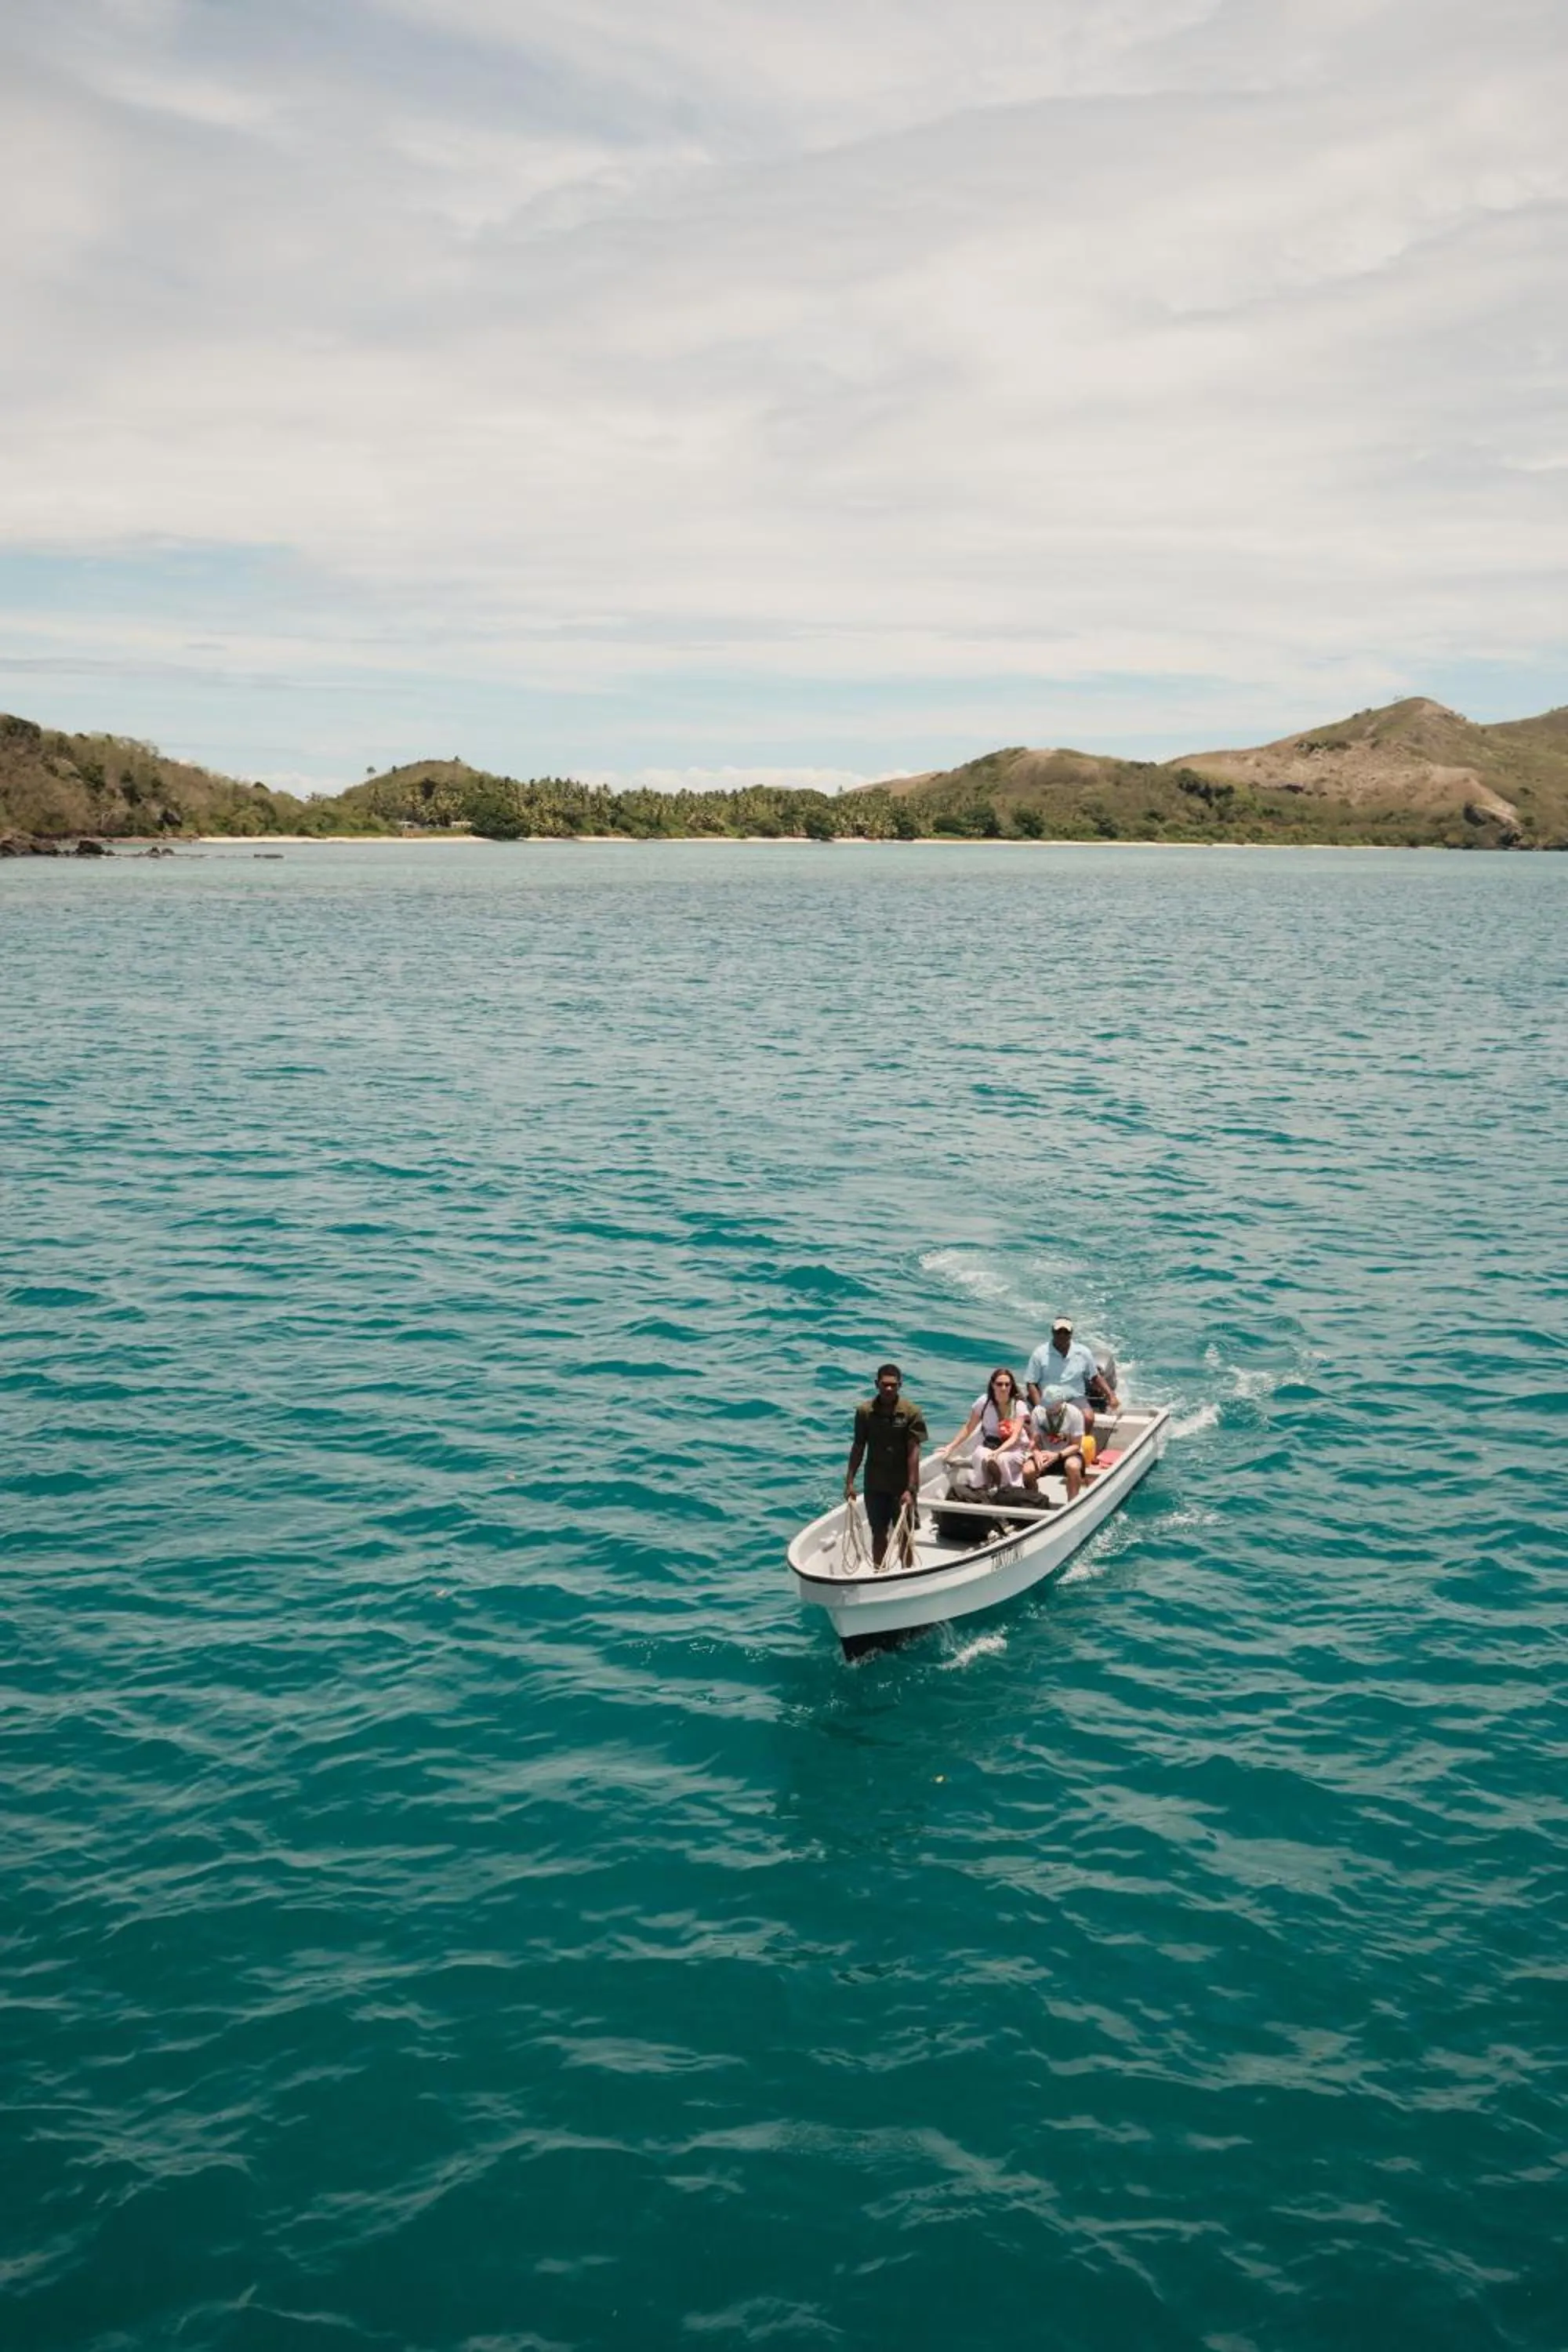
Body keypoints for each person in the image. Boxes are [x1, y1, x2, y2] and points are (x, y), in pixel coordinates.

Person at [844, 1363, 928, 1567]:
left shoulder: (911, 1413)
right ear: (877, 1384)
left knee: (904, 1534)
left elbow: (914, 1452)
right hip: (876, 1483)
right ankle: (878, 1572)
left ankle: (907, 1573)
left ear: (900, 1385)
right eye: (885, 1385)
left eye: (893, 1385)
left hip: (902, 1485)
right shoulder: (865, 1412)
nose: (889, 1389)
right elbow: (858, 1447)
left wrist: (911, 1488)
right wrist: (849, 1482)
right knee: (878, 1532)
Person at [942, 1367, 1029, 1492]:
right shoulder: (984, 1402)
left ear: (1011, 1386)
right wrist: (951, 1446)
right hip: (990, 1444)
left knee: (1002, 1459)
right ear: (993, 1385)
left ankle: (1004, 1489)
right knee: (980, 1454)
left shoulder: (1018, 1406)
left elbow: (1015, 1436)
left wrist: (998, 1452)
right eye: (1000, 1384)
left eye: (1007, 1384)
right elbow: (969, 1427)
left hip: (1013, 1447)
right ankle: (985, 1487)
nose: (1003, 1388)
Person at [1025, 1315, 1117, 1430]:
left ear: (1071, 1333)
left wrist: (1111, 1396)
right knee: (1045, 1422)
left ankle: (1082, 1445)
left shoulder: (1083, 1352)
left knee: (1088, 1418)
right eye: (1059, 1332)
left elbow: (1095, 1377)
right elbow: (1031, 1383)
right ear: (1052, 1332)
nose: (1062, 1335)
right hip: (1049, 1399)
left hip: (1075, 1397)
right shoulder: (1039, 1354)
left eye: (1066, 1332)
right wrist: (1040, 1407)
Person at [1022, 1386, 1091, 1501]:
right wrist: (1036, 1453)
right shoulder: (1038, 1412)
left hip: (1068, 1452)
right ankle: (1035, 1500)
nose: (1049, 1410)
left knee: (1073, 1467)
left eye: (1052, 1408)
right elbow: (1034, 1440)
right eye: (1047, 1407)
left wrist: (1057, 1455)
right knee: (1027, 1471)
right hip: (1045, 1453)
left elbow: (1076, 1445)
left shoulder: (1074, 1413)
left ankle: (1072, 1502)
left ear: (1061, 1403)